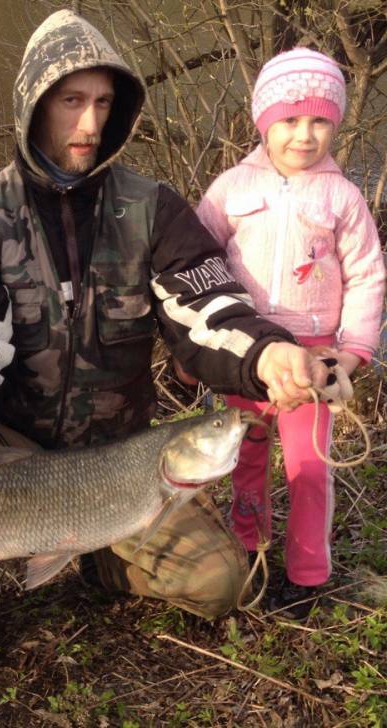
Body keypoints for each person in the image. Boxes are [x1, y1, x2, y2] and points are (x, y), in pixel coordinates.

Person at [0, 10, 331, 684]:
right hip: (11, 455)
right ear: (33, 105)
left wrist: (269, 356)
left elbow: (207, 309)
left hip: (120, 458)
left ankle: (98, 554)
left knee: (221, 580)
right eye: (71, 101)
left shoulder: (153, 209)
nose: (89, 125)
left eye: (104, 104)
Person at [195, 48, 386, 620]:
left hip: (313, 359)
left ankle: (306, 575)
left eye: (320, 120)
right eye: (289, 120)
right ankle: (249, 554)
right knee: (244, 458)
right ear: (263, 120)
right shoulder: (229, 188)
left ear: (336, 122)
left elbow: (369, 275)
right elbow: (197, 267)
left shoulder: (342, 198)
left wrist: (352, 354)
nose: (304, 135)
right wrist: (197, 349)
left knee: (309, 469)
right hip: (242, 356)